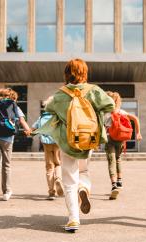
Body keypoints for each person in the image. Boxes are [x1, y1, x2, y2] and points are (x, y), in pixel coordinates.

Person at [34, 59, 115, 232]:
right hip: (88, 139)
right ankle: (84, 188)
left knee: (69, 180)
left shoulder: (60, 94)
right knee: (84, 171)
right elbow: (111, 105)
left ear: (66, 73)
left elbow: (48, 109)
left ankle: (73, 219)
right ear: (84, 73)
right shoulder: (93, 90)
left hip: (67, 141)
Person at [0, 88, 31, 203]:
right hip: (7, 139)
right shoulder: (14, 106)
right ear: (13, 97)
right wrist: (28, 131)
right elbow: (22, 121)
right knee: (6, 165)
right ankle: (6, 192)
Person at [104, 91, 142, 200]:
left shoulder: (106, 113)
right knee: (118, 159)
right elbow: (136, 119)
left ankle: (114, 185)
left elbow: (101, 127)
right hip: (120, 139)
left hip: (109, 138)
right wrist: (138, 133)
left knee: (111, 160)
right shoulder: (122, 112)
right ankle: (119, 181)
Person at [31, 98, 64, 200]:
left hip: (46, 143)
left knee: (49, 167)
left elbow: (33, 129)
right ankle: (58, 178)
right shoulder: (58, 117)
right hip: (57, 142)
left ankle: (51, 192)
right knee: (58, 163)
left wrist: (30, 132)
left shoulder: (42, 117)